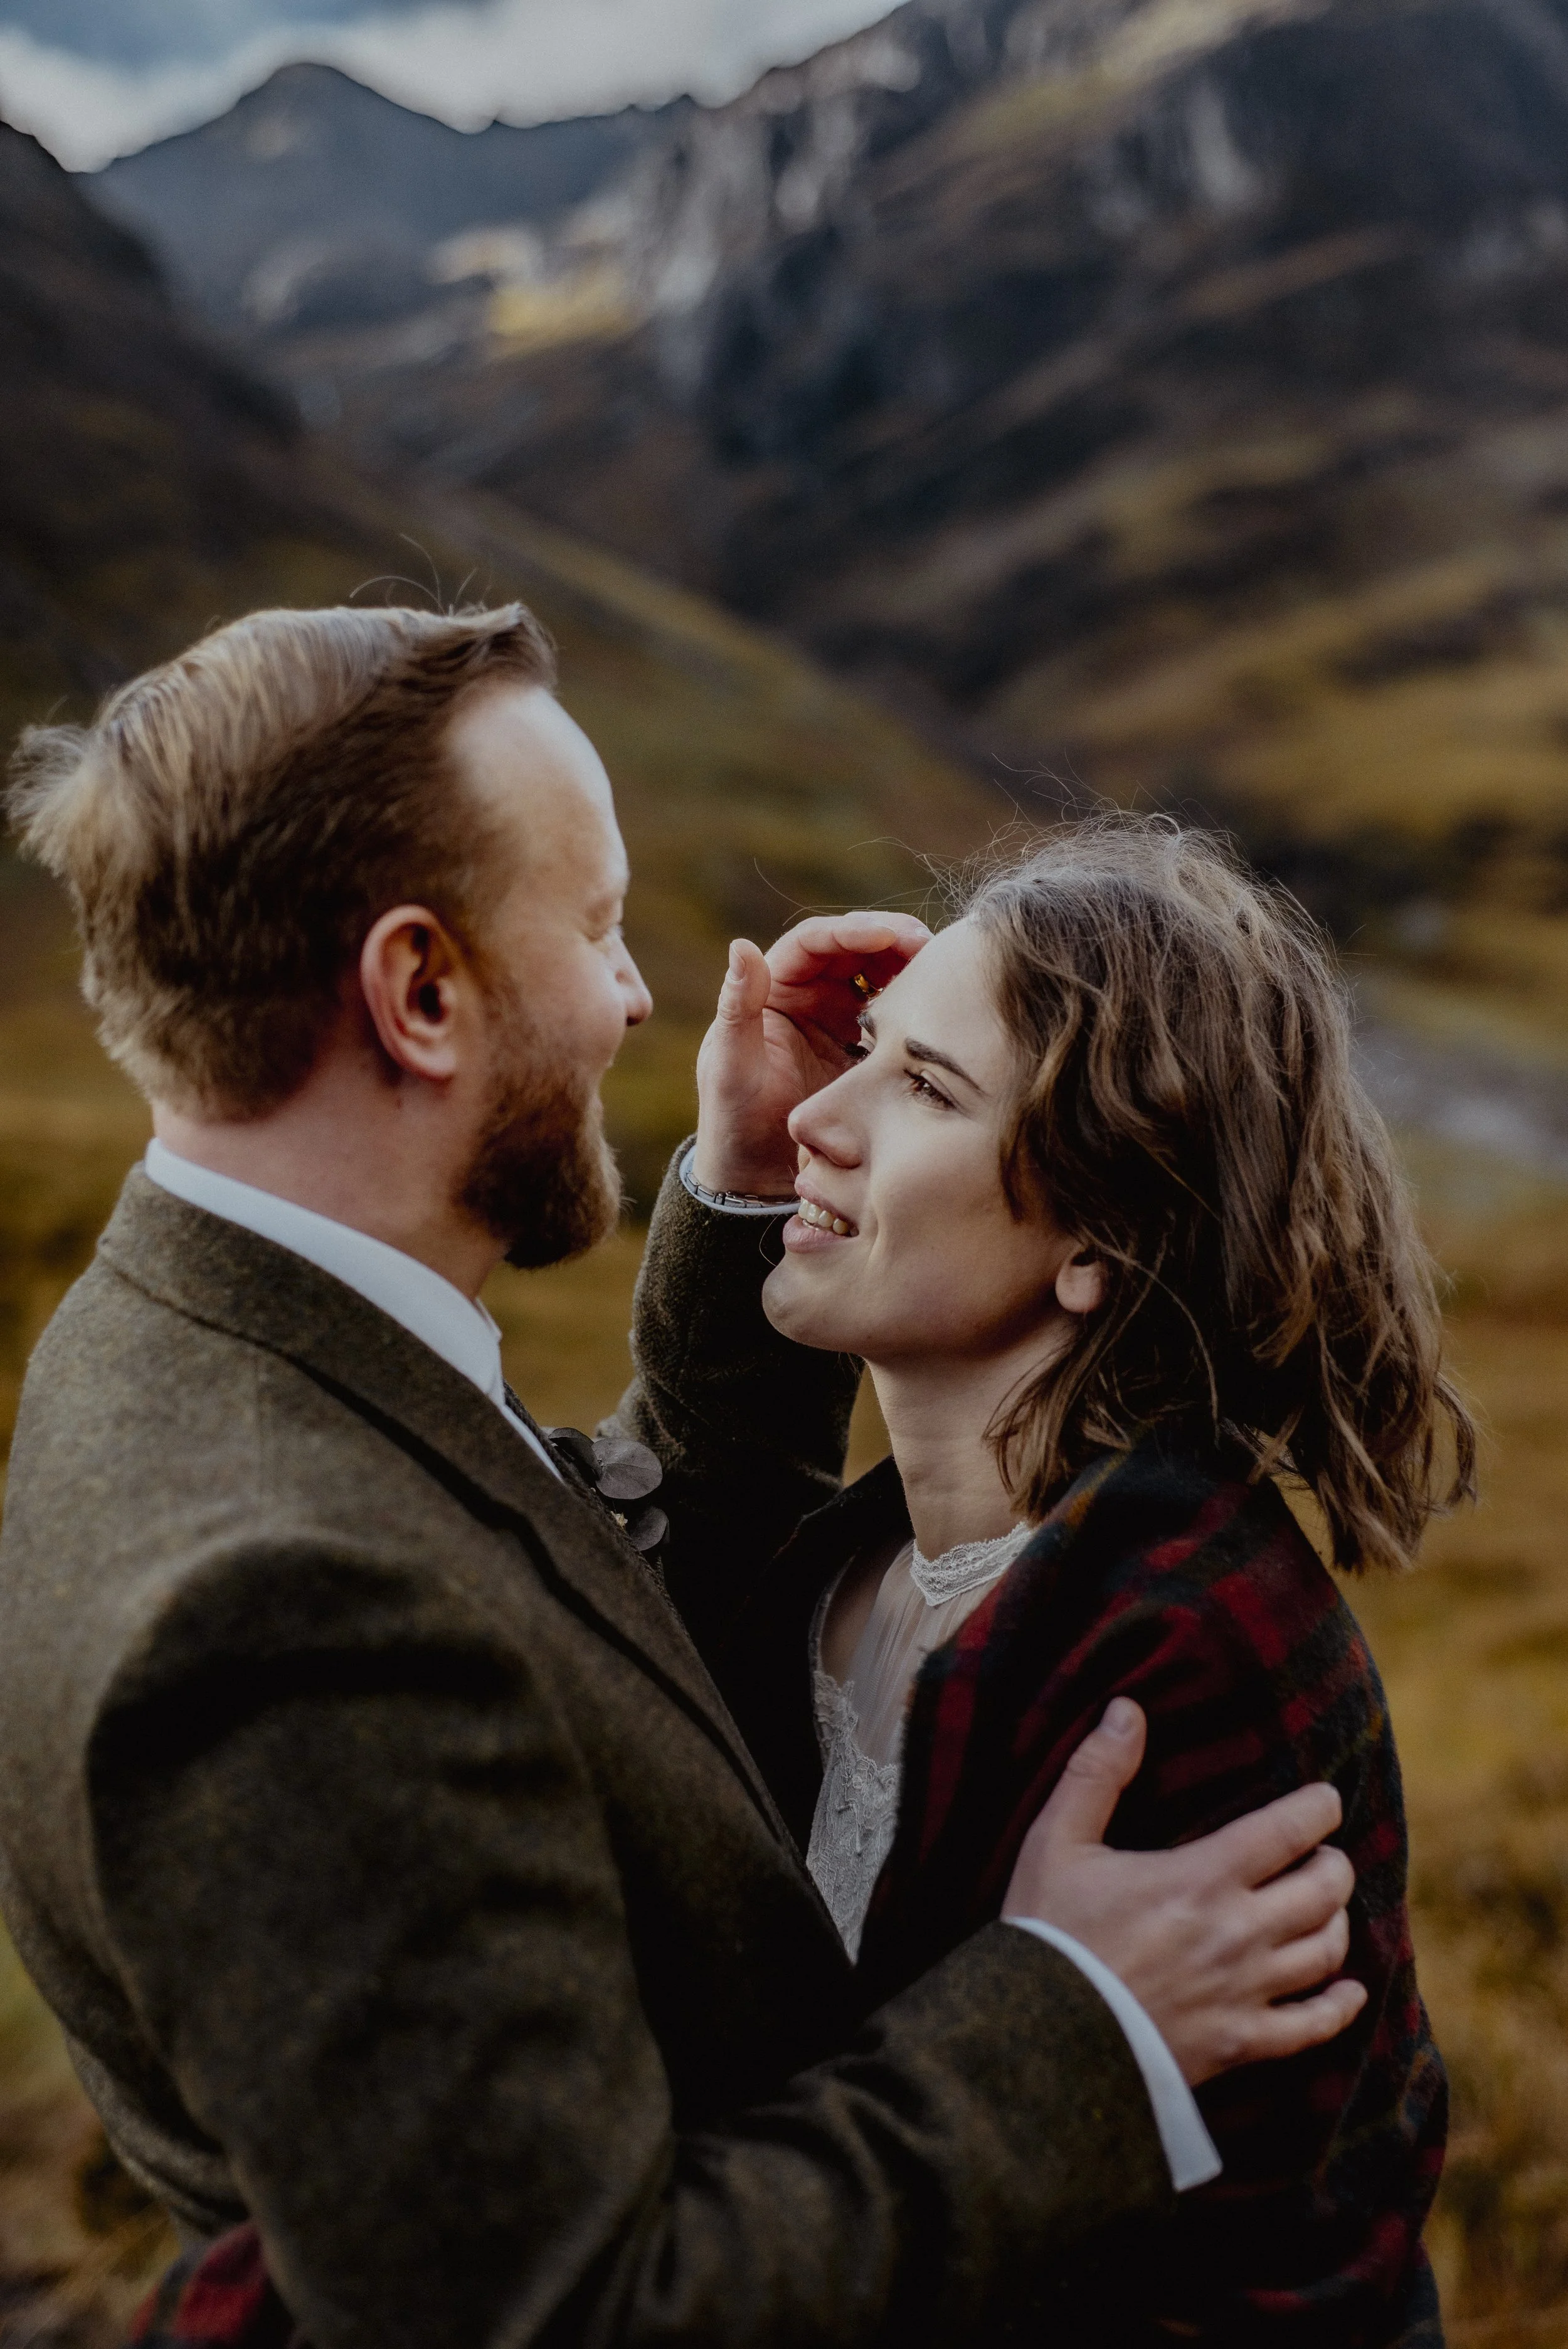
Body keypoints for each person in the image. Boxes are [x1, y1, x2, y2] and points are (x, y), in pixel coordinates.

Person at [0, 605, 1364, 2349]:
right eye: (596, 925)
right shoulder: (281, 1608)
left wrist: (741, 1204)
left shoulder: (202, 1339)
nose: (638, 994)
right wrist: (1072, 2020)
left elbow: (570, 1604)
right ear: (420, 993)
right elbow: (575, 2312)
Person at [626, 820, 1470, 2345]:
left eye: (923, 1086)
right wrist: (752, 1177)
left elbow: (1290, 2275)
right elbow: (688, 1539)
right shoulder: (852, 1570)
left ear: (1100, 1236)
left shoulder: (1182, 1646)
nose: (821, 1108)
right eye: (862, 1051)